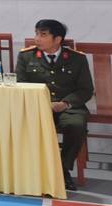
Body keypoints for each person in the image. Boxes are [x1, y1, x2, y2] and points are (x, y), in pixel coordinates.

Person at [17, 19, 93, 191]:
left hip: (68, 107)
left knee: (76, 126)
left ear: (57, 39)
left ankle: (62, 170)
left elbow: (86, 90)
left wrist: (65, 103)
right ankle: (31, 171)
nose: (37, 38)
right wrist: (42, 103)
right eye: (36, 33)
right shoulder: (26, 56)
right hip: (37, 107)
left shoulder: (77, 59)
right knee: (21, 125)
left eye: (43, 35)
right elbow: (21, 85)